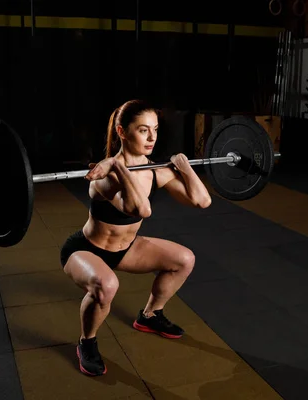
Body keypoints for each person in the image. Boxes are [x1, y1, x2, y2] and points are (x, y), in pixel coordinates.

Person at [60, 99, 212, 376]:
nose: (152, 137)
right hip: (86, 250)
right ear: (122, 132)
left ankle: (150, 315)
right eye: (143, 130)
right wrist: (118, 167)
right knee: (107, 286)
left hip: (125, 249)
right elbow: (141, 209)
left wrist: (185, 167)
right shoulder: (103, 176)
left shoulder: (155, 169)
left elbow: (202, 201)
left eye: (154, 129)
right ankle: (87, 342)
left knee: (184, 259)